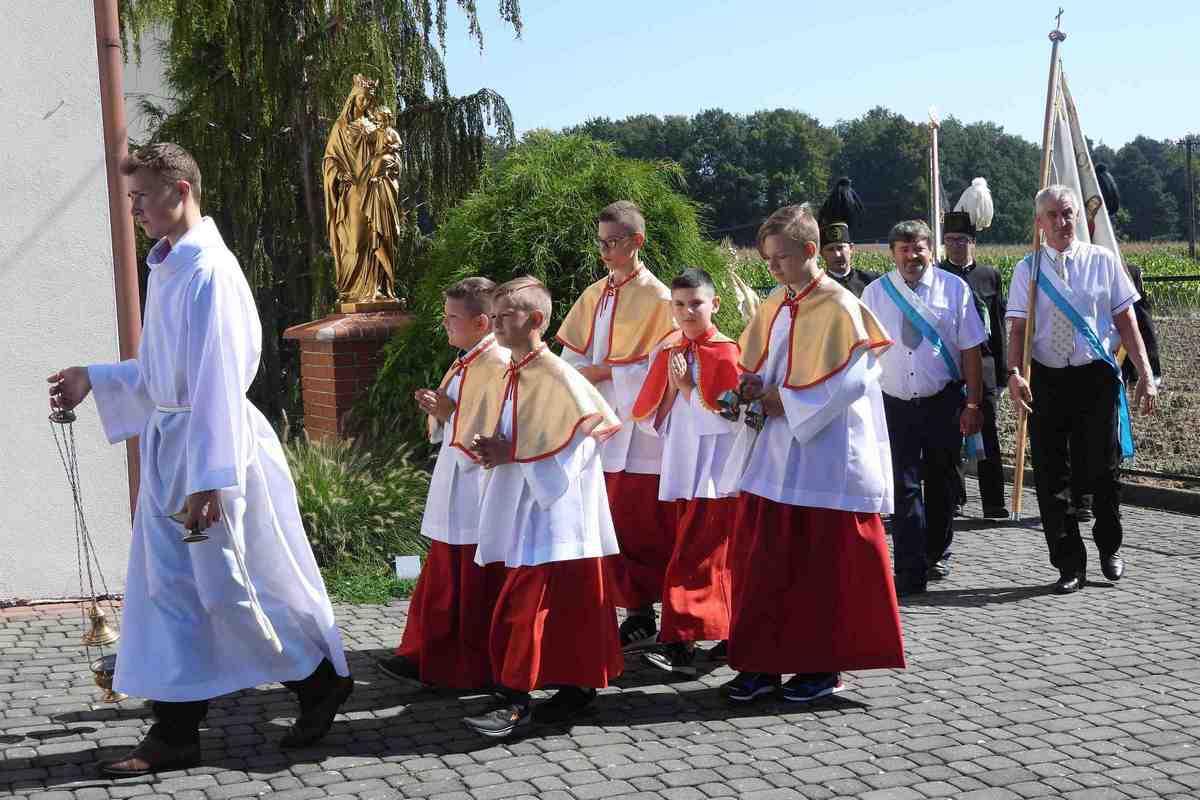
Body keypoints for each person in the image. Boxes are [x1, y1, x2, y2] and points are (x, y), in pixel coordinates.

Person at [47, 143, 352, 776]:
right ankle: (175, 732)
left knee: (230, 588)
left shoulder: (209, 270)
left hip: (212, 452)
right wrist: (94, 378)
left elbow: (214, 380)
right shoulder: (171, 266)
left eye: (142, 196)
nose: (134, 209)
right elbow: (165, 375)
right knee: (170, 591)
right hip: (175, 447)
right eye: (131, 197)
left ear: (180, 190)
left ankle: (319, 682)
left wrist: (209, 480)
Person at [717, 204, 904, 703]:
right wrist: (751, 386)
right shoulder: (777, 302)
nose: (772, 267)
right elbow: (761, 362)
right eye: (767, 258)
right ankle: (761, 664)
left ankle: (821, 667)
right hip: (775, 453)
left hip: (824, 455)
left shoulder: (840, 306)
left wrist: (788, 402)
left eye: (780, 257)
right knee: (765, 564)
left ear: (809, 250)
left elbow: (854, 381)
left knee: (820, 568)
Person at [465, 276, 625, 736]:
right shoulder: (514, 370)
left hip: (554, 511)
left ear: (535, 319)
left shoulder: (558, 375)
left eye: (504, 317)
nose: (496, 325)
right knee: (557, 606)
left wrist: (512, 452)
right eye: (493, 317)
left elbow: (584, 441)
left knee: (532, 606)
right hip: (525, 503)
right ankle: (574, 688)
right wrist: (496, 447)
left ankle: (515, 698)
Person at [1005, 185, 1156, 595]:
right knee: (1052, 476)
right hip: (1046, 380)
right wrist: (1015, 373)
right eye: (1052, 215)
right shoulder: (1027, 270)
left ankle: (1110, 545)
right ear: (1039, 223)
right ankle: (1069, 564)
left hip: (1095, 378)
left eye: (1068, 213)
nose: (1062, 222)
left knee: (1103, 470)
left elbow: (1127, 321)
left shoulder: (1102, 261)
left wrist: (1145, 373)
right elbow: (1017, 330)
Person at [556, 201, 678, 650]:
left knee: (646, 525)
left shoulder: (660, 298)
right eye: (601, 243)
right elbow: (570, 357)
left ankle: (670, 617)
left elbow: (666, 365)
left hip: (641, 430)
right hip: (600, 424)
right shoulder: (594, 293)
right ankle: (636, 612)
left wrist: (606, 372)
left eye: (612, 242)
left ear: (636, 242)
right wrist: (578, 378)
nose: (604, 251)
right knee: (611, 522)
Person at [377, 278, 509, 689]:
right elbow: (454, 418)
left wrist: (450, 412)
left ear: (482, 322)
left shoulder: (498, 363)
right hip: (455, 480)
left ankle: (466, 666)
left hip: (479, 486)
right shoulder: (468, 360)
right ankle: (427, 655)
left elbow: (496, 430)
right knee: (445, 574)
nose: (445, 323)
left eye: (453, 317)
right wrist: (440, 411)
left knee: (470, 579)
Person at [861, 220, 986, 595]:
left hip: (942, 402)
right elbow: (863, 352)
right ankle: (909, 569)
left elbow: (971, 350)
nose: (912, 256)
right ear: (893, 253)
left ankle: (936, 553)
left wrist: (973, 403)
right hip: (893, 404)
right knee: (903, 488)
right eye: (904, 249)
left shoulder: (954, 289)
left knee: (942, 483)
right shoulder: (875, 293)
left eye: (919, 248)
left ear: (931, 250)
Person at [630, 268, 740, 676]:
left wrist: (689, 390)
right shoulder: (670, 350)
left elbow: (732, 418)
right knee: (704, 557)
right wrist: (673, 391)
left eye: (695, 303)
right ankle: (730, 634)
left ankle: (680, 643)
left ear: (715, 304)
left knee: (693, 559)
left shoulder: (727, 352)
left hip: (715, 473)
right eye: (679, 305)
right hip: (682, 468)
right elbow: (652, 415)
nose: (687, 312)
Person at [941, 178, 1009, 519]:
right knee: (951, 436)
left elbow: (998, 326)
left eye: (962, 240)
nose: (956, 246)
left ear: (973, 242)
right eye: (951, 240)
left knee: (989, 435)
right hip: (950, 368)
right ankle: (954, 497)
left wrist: (1004, 372)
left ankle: (994, 502)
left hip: (984, 368)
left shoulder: (989, 275)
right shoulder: (937, 276)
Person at [817, 178, 879, 297]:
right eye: (830, 249)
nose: (837, 254)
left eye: (840, 248)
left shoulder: (872, 282)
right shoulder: (818, 288)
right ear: (821, 253)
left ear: (851, 248)